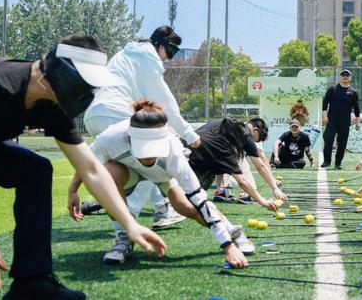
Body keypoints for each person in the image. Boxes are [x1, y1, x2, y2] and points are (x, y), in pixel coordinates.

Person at [0, 36, 166, 300]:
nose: (86, 92)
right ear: (62, 70)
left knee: (35, 170)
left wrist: (130, 224)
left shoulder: (50, 106)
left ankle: (32, 282)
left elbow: (91, 169)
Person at [67, 100, 251, 267]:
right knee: (106, 175)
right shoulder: (111, 138)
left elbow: (200, 200)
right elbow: (88, 164)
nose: (148, 156)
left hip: (163, 175)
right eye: (143, 148)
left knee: (186, 207)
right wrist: (73, 191)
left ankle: (234, 234)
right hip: (127, 171)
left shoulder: (174, 152)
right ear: (129, 137)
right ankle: (123, 238)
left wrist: (227, 246)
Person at [83, 25, 198, 229]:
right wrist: (189, 134)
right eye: (169, 52)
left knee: (142, 159)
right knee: (146, 158)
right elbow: (165, 102)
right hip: (116, 113)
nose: (168, 58)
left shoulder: (125, 54)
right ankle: (130, 222)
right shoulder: (148, 58)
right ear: (157, 45)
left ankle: (163, 209)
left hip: (94, 115)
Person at [186, 117, 281, 211]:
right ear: (255, 130)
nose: (253, 143)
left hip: (182, 149)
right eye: (256, 140)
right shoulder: (230, 146)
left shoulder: (221, 124)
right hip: (194, 158)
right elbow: (252, 172)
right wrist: (264, 200)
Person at [321, 69, 361, 169]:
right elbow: (325, 103)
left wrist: (357, 121)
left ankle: (338, 163)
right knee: (328, 138)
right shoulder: (332, 89)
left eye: (347, 75)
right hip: (332, 119)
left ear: (350, 78)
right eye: (343, 75)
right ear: (340, 77)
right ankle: (327, 161)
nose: (345, 76)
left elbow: (356, 108)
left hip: (345, 121)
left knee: (342, 142)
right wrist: (325, 116)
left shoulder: (353, 92)